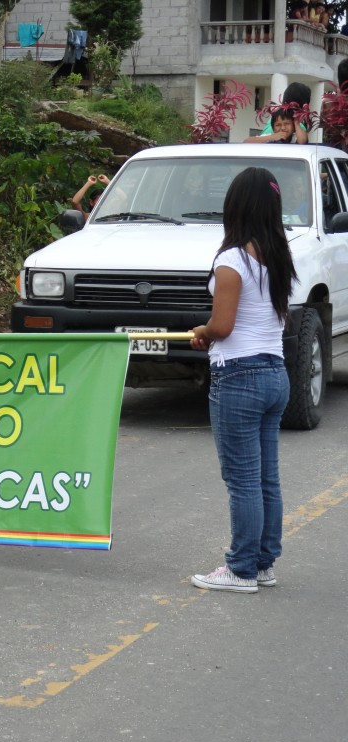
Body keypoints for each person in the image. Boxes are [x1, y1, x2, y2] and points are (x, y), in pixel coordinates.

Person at [189, 167, 298, 593]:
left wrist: (203, 331)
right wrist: (212, 332)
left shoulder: (231, 260)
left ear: (235, 207)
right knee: (266, 477)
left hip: (240, 377)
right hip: (275, 373)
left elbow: (224, 326)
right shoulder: (277, 255)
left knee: (242, 480)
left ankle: (240, 569)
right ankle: (263, 562)